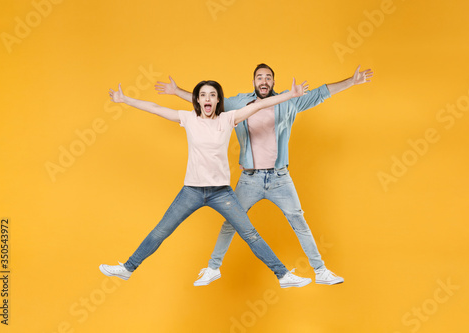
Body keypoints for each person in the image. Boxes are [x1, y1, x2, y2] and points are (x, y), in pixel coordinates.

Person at [155, 64, 373, 286]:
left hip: (280, 178)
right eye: (260, 77)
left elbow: (320, 93)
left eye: (268, 77)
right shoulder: (238, 104)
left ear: (273, 82)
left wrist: (351, 81)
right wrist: (177, 91)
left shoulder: (289, 101)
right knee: (230, 223)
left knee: (299, 221)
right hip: (250, 179)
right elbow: (208, 102)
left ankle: (320, 271)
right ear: (253, 82)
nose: (264, 81)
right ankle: (213, 267)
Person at [99, 78, 313, 288]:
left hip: (221, 193)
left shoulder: (228, 118)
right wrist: (125, 99)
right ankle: (128, 268)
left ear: (218, 100)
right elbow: (155, 108)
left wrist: (291, 95)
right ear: (198, 100)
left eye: (212, 95)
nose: (207, 98)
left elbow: (262, 104)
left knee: (250, 234)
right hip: (191, 191)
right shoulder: (188, 118)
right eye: (203, 95)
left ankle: (283, 275)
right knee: (161, 231)